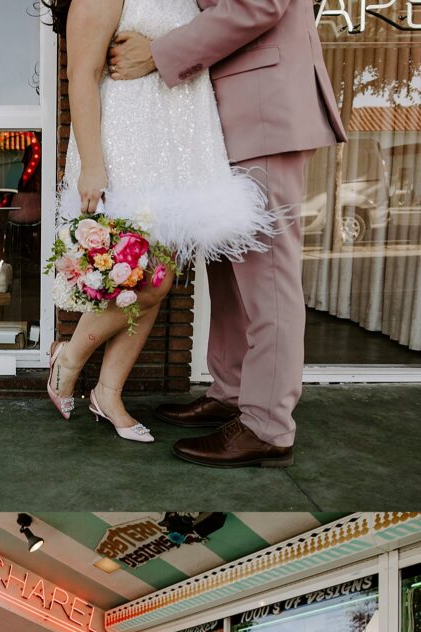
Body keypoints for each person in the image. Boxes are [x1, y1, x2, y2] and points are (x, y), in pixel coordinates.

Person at [108, 0, 346, 466]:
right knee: (228, 272)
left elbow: (259, 5)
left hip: (263, 110)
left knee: (267, 278)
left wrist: (158, 53)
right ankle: (233, 391)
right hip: (227, 119)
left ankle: (268, 427)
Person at [43, 0, 276, 442]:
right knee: (151, 280)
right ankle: (69, 358)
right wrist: (93, 165)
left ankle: (108, 393)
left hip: (172, 155)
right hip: (124, 153)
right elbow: (84, 76)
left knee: (153, 275)